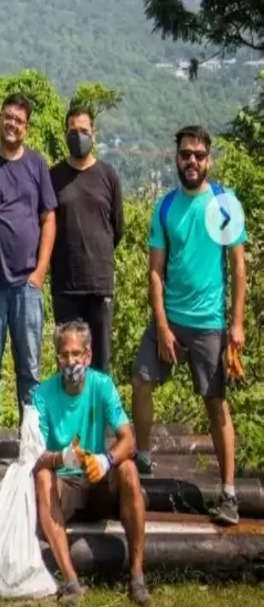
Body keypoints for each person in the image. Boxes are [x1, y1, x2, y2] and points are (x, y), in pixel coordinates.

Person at [131, 125, 247, 525]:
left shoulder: (223, 203)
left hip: (210, 325)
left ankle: (229, 493)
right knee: (141, 379)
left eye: (198, 154)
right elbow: (155, 274)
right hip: (172, 319)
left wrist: (236, 324)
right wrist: (162, 328)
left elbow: (238, 265)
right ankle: (143, 460)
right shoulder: (166, 207)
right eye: (185, 154)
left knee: (216, 404)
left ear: (208, 159)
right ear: (176, 158)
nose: (192, 161)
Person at [33, 322, 151, 607]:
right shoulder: (43, 394)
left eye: (76, 353)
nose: (71, 361)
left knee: (129, 468)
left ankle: (136, 574)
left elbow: (128, 439)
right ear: (57, 357)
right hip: (64, 483)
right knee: (43, 477)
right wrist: (62, 457)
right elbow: (36, 457)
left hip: (96, 474)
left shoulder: (101, 385)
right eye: (64, 354)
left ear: (88, 355)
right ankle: (71, 580)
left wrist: (105, 459)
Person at [0, 92, 58, 471]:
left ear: (27, 126)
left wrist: (40, 272)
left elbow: (49, 219)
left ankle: (30, 441)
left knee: (30, 367)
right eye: (7, 117)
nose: (12, 124)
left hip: (27, 284)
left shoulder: (37, 164)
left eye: (19, 120)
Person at [49, 105, 124, 372]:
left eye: (83, 130)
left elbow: (117, 228)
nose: (77, 136)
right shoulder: (53, 176)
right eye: (72, 131)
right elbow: (47, 227)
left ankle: (99, 415)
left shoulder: (108, 175)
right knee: (68, 365)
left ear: (94, 133)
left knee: (100, 363)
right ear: (65, 133)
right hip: (65, 287)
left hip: (99, 286)